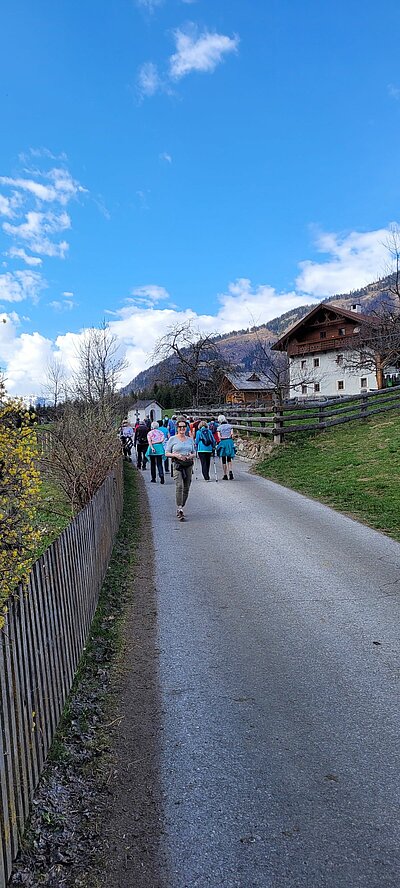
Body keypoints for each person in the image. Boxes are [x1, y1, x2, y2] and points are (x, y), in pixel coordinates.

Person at [165, 417, 195, 520]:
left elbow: (194, 452)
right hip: (177, 464)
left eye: (184, 427)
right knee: (179, 486)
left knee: (186, 486)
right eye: (180, 427)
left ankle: (182, 505)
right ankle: (179, 508)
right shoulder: (172, 439)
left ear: (186, 428)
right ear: (177, 428)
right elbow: (167, 453)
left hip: (188, 464)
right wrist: (176, 455)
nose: (182, 428)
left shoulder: (190, 440)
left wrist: (190, 456)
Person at [216, 413, 235, 480]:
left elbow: (219, 436)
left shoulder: (219, 427)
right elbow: (232, 435)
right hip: (229, 442)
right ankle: (230, 471)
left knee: (224, 459)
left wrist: (222, 437)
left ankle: (225, 474)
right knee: (229, 459)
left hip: (223, 442)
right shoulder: (230, 426)